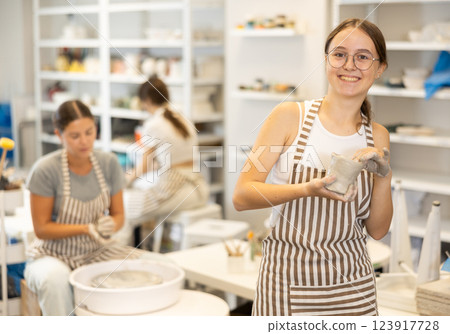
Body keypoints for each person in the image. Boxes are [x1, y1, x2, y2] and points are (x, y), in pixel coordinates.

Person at [233, 18, 393, 316]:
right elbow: (242, 195)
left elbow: (378, 230)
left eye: (362, 57)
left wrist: (384, 177)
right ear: (326, 59)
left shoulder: (378, 135)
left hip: (353, 288)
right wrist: (308, 189)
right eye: (340, 54)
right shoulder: (288, 116)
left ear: (380, 68)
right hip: (285, 283)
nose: (349, 65)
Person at [24, 100, 167, 316]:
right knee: (54, 281)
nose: (84, 141)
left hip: (96, 250)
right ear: (59, 135)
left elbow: (118, 215)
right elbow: (42, 229)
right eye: (75, 136)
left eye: (89, 132)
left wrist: (110, 225)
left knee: (161, 266)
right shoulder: (45, 170)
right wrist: (85, 228)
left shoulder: (108, 163)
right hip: (51, 254)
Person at [124, 75, 209, 228]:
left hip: (177, 190)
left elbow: (143, 167)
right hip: (199, 188)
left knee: (125, 206)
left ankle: (126, 250)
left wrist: (124, 181)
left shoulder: (153, 124)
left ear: (147, 101)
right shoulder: (183, 118)